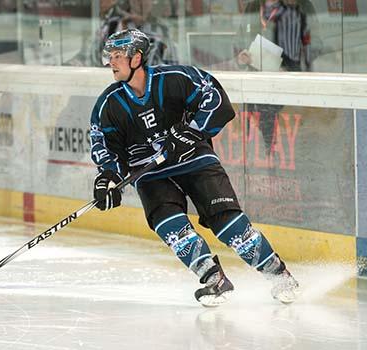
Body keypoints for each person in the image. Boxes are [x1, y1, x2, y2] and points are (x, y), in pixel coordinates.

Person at [89, 28, 300, 306]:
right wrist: (108, 178)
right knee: (170, 225)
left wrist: (191, 131)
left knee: (228, 224)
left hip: (194, 160)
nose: (111, 62)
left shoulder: (175, 78)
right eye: (110, 56)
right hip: (150, 173)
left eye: (118, 56)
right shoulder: (109, 104)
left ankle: (279, 275)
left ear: (137, 58)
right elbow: (105, 145)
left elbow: (216, 100)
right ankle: (215, 279)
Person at [236, 0, 316, 154]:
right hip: (254, 90)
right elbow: (239, 40)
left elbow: (315, 44)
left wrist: (291, 69)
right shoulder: (252, 7)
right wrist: (241, 58)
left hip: (286, 89)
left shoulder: (300, 5)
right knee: (257, 149)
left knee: (285, 149)